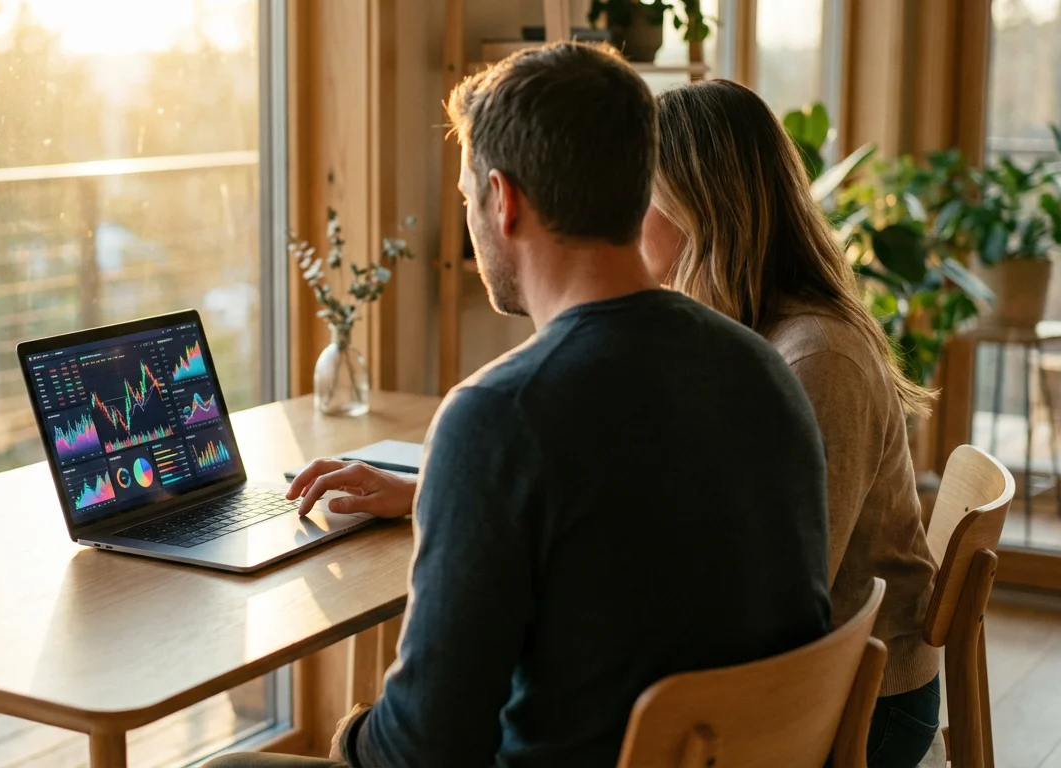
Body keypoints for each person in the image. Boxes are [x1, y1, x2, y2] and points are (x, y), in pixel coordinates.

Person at [207, 43, 831, 768]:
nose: (471, 214)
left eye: (468, 196)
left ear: (504, 202)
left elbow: (424, 751)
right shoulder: (763, 368)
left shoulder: (501, 415)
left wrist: (347, 737)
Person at [639, 79, 942, 768]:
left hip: (864, 709)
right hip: (819, 677)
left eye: (641, 200)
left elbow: (786, 595)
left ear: (700, 209)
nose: (625, 223)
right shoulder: (749, 326)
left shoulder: (816, 359)